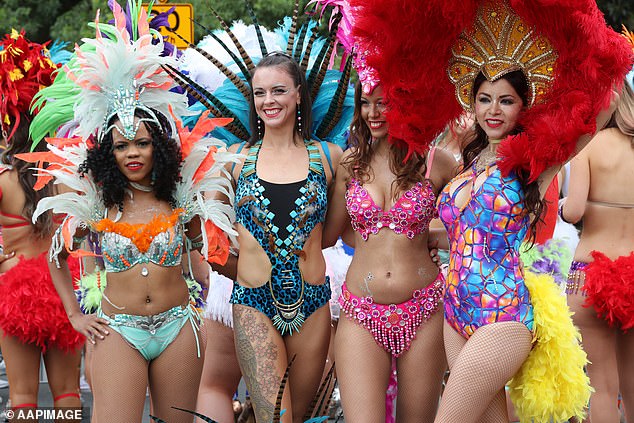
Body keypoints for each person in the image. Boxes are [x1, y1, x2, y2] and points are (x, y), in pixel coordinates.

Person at [348, 0, 630, 421]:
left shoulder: (534, 165)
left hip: (503, 315)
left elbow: (604, 105)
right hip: (454, 311)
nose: (493, 110)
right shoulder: (464, 163)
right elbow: (462, 232)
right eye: (484, 99)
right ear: (473, 103)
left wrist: (596, 43)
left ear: (522, 108)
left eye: (506, 101)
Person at [26, 5, 238, 422]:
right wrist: (74, 315)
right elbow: (56, 255)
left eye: (140, 143)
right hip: (117, 329)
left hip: (179, 327)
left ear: (156, 146)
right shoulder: (96, 202)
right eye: (121, 146)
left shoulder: (182, 197)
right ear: (109, 154)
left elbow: (210, 254)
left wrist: (243, 268)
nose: (132, 154)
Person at [323, 76, 456, 422]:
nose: (372, 113)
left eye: (383, 103)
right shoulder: (350, 164)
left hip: (424, 311)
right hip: (360, 313)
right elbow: (329, 235)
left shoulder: (438, 162)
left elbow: (465, 224)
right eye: (366, 102)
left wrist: (431, 236)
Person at [224, 52, 342, 423]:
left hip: (313, 305)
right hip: (254, 302)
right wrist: (244, 269)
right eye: (260, 93)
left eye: (278, 91)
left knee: (302, 415)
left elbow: (332, 234)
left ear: (298, 95)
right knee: (277, 418)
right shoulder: (235, 159)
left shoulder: (329, 157)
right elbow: (211, 238)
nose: (268, 101)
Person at [0, 30, 83, 416]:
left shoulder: (2, 182)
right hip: (63, 286)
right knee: (68, 393)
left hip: (15, 292)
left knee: (22, 397)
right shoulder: (65, 176)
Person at [561, 78, 634, 423]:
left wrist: (561, 206)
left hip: (591, 274)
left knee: (602, 386)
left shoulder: (590, 147)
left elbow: (574, 212)